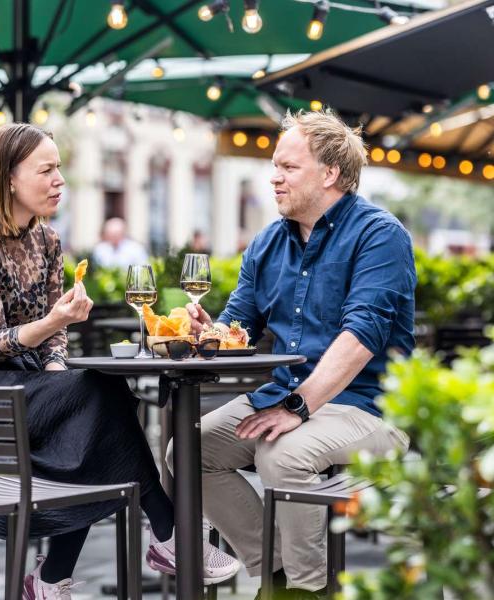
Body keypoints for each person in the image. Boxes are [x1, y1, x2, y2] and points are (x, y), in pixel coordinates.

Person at [0, 123, 240, 600]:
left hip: (26, 383)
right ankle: (164, 531)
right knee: (101, 392)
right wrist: (54, 324)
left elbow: (56, 339)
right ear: (8, 177)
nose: (60, 181)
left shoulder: (47, 240)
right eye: (46, 170)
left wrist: (55, 362)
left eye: (60, 169)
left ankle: (59, 577)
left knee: (94, 401)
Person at [168, 110, 415, 599]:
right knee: (187, 450)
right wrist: (210, 332)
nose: (274, 177)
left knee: (281, 453)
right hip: (282, 398)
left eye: (288, 167)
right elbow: (238, 324)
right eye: (274, 166)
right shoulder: (267, 242)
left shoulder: (380, 235)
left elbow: (361, 335)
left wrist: (298, 406)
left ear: (330, 174)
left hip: (369, 407)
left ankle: (306, 590)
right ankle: (277, 575)